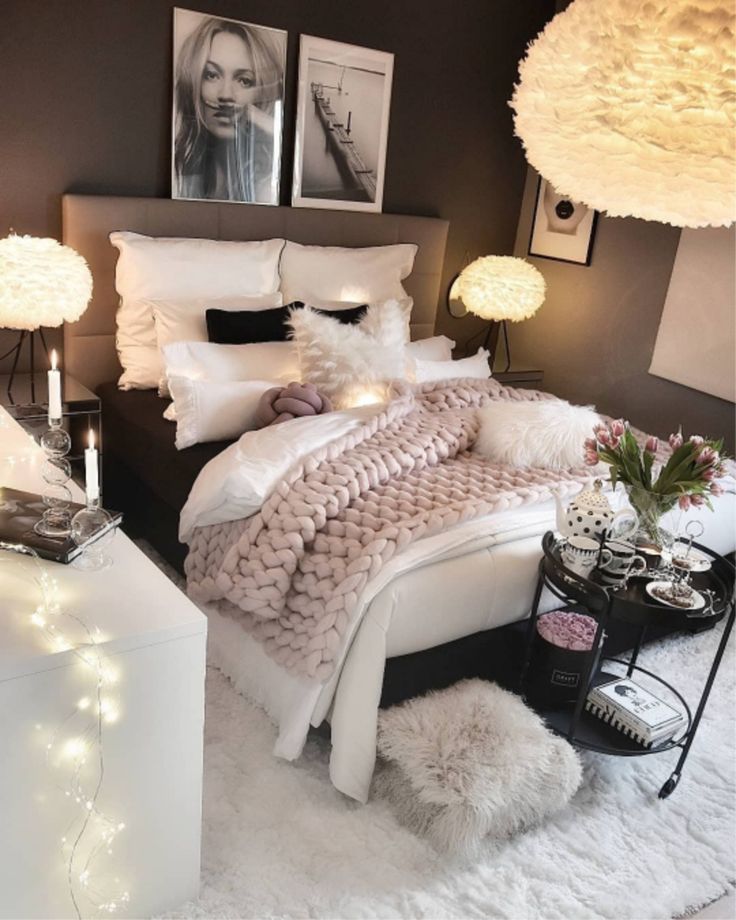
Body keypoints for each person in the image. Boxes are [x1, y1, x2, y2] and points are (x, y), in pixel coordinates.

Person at [173, 15, 284, 203]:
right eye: (212, 75)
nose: (226, 95)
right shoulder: (181, 179)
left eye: (244, 81)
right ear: (194, 83)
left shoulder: (267, 190)